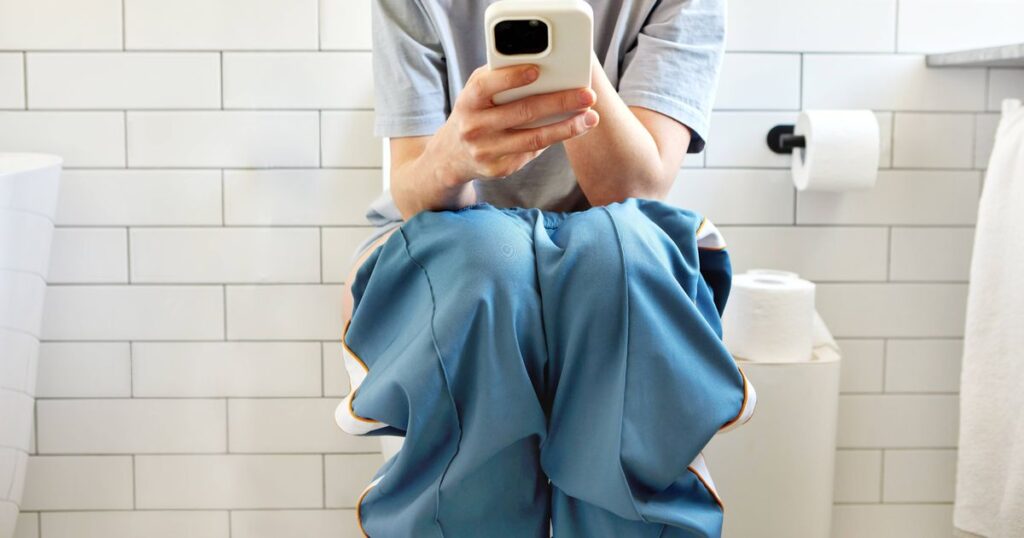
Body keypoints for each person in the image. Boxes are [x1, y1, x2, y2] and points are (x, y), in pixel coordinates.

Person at [336, 1, 756, 536]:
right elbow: (417, 187)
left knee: (615, 266)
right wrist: (454, 158)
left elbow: (636, 191)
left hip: (616, 244)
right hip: (458, 241)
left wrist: (566, 39)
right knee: (487, 265)